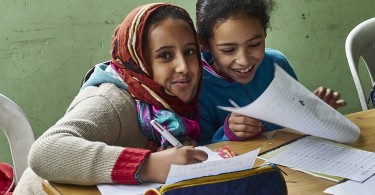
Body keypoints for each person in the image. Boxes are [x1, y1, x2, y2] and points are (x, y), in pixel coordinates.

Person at [14, 3, 207, 194]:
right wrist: (148, 165)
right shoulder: (113, 100)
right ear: (139, 60)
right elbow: (45, 152)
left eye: (190, 52)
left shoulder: (172, 102)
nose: (183, 66)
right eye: (165, 55)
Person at [195, 0, 347, 145]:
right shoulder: (199, 87)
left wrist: (315, 111)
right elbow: (203, 152)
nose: (244, 60)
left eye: (254, 44)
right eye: (228, 50)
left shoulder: (276, 65)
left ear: (264, 33)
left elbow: (296, 118)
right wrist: (228, 133)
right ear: (204, 45)